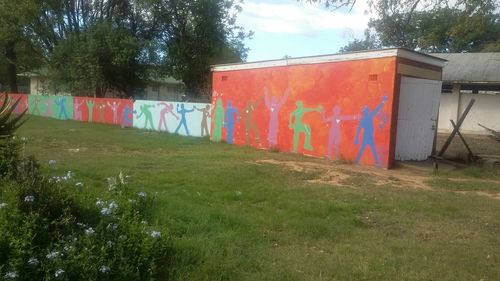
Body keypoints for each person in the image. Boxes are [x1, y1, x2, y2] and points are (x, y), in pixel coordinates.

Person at [354, 96, 388, 166]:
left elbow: (358, 129)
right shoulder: (369, 116)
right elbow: (377, 109)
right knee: (371, 149)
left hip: (367, 137)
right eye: (367, 110)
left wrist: (356, 138)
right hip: (368, 137)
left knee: (366, 149)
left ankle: (357, 161)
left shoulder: (364, 119)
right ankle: (377, 162)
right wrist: (383, 102)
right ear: (366, 111)